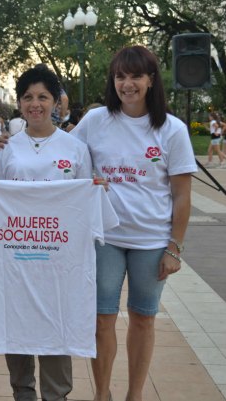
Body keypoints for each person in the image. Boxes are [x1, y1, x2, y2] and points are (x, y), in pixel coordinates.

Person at [70, 45, 197, 401]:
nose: (128, 84)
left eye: (136, 76)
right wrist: (7, 142)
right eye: (120, 76)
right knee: (101, 320)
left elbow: (182, 196)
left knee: (143, 318)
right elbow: (61, 153)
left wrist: (174, 247)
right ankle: (102, 393)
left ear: (151, 80)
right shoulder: (96, 121)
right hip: (106, 237)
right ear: (113, 81)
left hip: (152, 242)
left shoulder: (172, 130)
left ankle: (135, 394)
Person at [0, 66, 94, 401]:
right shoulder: (6, 148)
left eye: (43, 97)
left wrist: (96, 191)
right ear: (20, 103)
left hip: (60, 262)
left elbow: (83, 204)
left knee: (57, 325)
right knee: (19, 327)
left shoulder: (75, 148)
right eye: (28, 97)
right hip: (17, 260)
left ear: (56, 102)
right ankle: (22, 393)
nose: (35, 104)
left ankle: (56, 395)